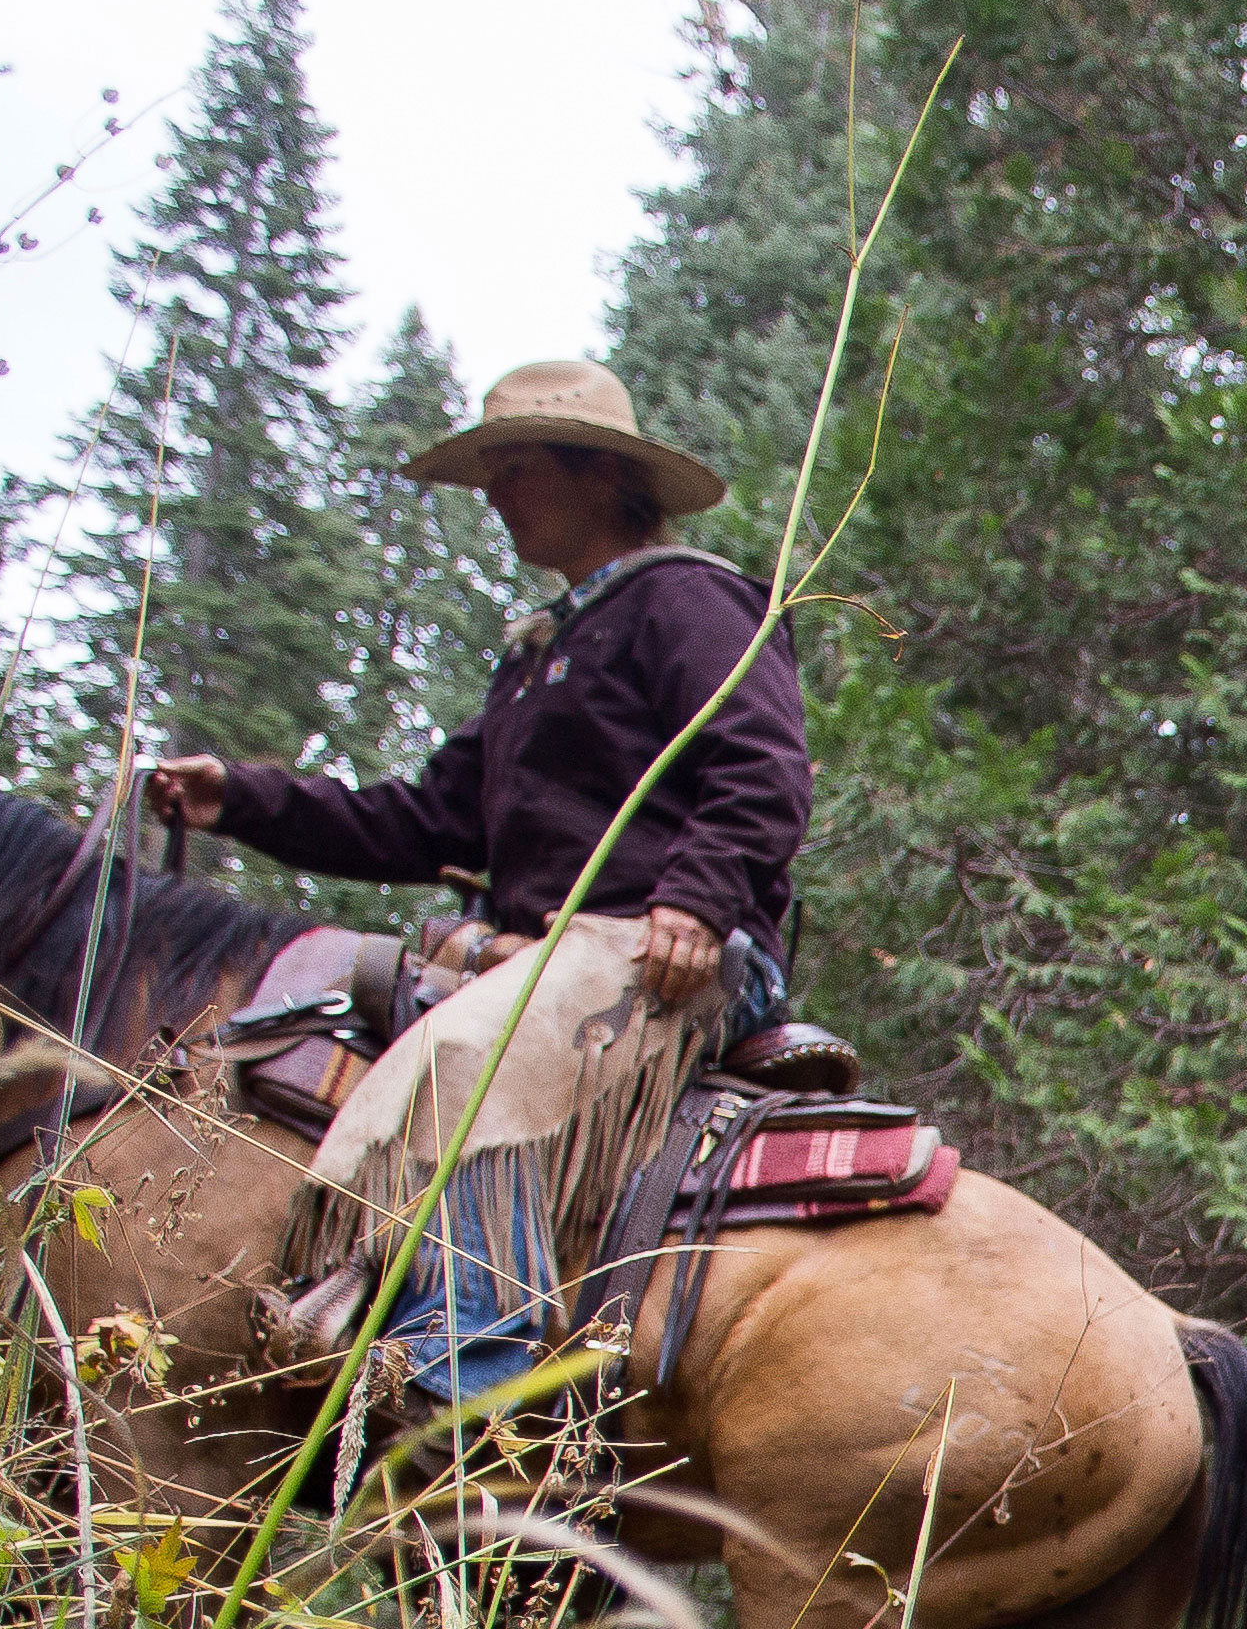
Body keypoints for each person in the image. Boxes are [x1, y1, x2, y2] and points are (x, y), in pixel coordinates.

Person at [139, 358, 810, 1410]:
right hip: (555, 957)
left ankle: (473, 1396)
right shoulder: (543, 654)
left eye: (518, 467)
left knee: (458, 1059)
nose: (496, 493)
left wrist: (697, 901)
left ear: (600, 476)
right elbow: (425, 819)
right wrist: (246, 801)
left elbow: (762, 766)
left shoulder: (691, 602)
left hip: (675, 956)